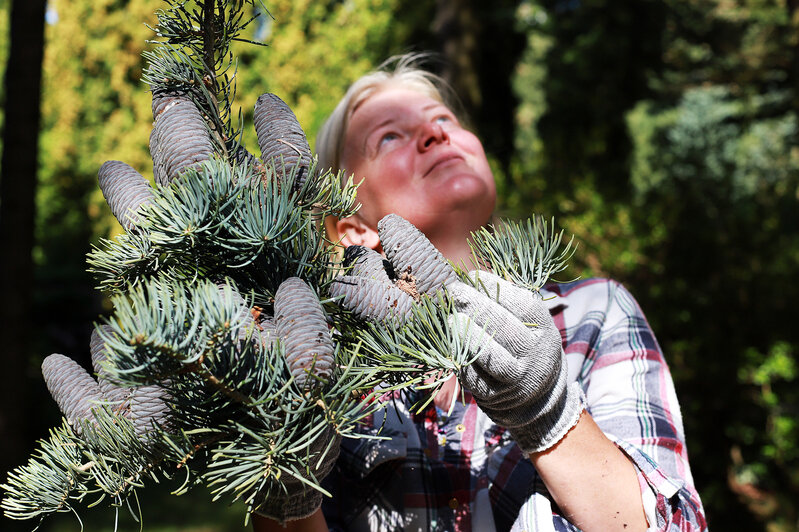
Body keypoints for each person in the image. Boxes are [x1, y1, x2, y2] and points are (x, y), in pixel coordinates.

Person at [252, 54, 707, 532]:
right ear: (353, 230)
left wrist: (547, 410)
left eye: (443, 119)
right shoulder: (324, 372)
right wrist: (289, 483)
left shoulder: (590, 314)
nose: (436, 134)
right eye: (389, 136)